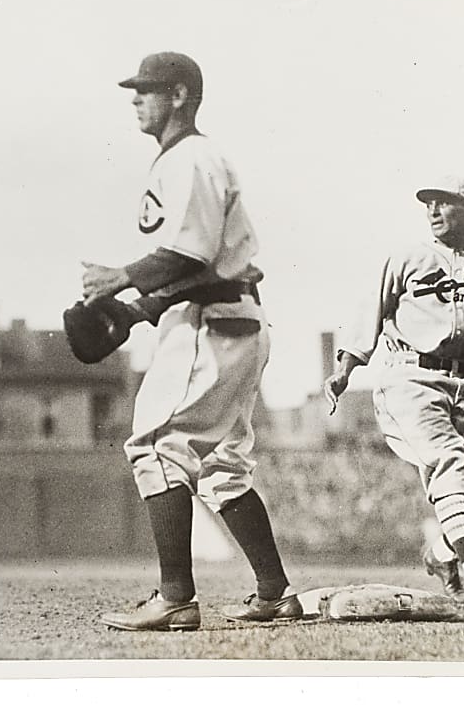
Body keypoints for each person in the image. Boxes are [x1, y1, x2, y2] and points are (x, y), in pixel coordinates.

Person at [82, 51, 301, 631]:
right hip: (234, 319)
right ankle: (274, 592)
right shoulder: (191, 160)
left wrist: (122, 278)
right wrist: (139, 310)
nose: (136, 98)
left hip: (213, 325)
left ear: (179, 96)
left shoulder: (191, 158)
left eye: (148, 88)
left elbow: (191, 256)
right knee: (224, 466)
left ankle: (176, 596)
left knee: (156, 446)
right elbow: (204, 264)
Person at [323, 175, 464, 609]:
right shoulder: (408, 258)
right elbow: (369, 313)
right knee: (449, 460)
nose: (434, 210)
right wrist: (345, 370)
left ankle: (442, 553)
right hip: (409, 377)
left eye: (445, 202)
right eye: (429, 203)